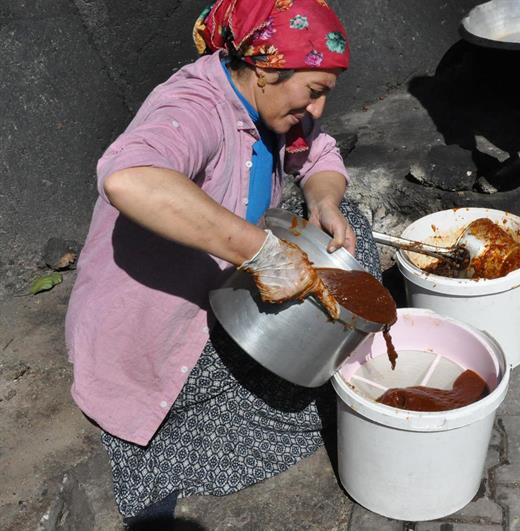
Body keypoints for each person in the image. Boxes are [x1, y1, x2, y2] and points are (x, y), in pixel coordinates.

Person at [65, 0, 380, 522]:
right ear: (264, 67)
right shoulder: (192, 106)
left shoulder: (269, 106)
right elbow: (129, 177)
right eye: (315, 92)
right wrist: (259, 253)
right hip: (156, 329)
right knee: (297, 410)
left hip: (219, 289)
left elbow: (319, 154)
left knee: (353, 239)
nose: (318, 110)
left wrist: (324, 202)